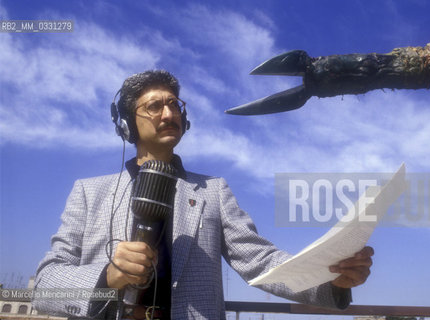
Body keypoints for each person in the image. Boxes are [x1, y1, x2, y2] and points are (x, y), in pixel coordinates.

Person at [33, 70, 374, 319]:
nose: (169, 114)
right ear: (126, 124)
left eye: (174, 105)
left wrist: (332, 278)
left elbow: (260, 262)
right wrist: (106, 276)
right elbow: (44, 284)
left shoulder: (214, 190)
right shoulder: (89, 192)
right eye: (154, 107)